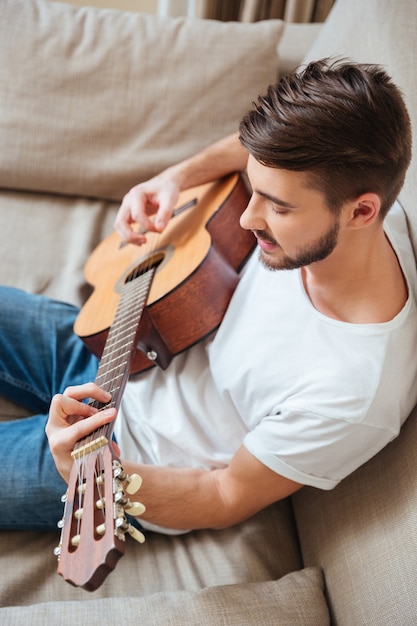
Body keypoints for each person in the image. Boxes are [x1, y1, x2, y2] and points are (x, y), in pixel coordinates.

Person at [1, 58, 416, 534]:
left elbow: (224, 496)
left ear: (362, 211)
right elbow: (251, 151)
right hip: (128, 335)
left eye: (277, 207)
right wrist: (175, 178)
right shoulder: (356, 182)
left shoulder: (351, 394)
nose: (247, 218)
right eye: (255, 191)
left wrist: (93, 475)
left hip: (130, 448)